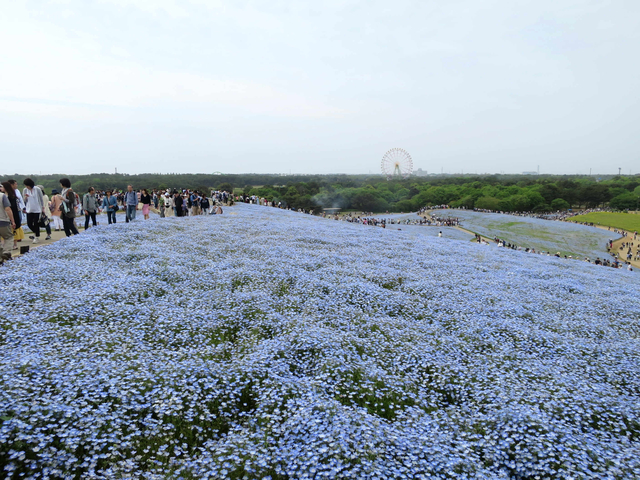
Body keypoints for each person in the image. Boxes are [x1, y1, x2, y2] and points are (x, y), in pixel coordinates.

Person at [22, 178, 46, 244]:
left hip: (37, 209)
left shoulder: (37, 189)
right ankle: (36, 233)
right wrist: (25, 197)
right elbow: (24, 200)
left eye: (28, 185)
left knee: (36, 223)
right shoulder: (25, 190)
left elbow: (41, 198)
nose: (27, 187)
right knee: (29, 224)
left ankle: (36, 237)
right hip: (29, 209)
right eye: (26, 186)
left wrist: (42, 207)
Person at [2, 181, 23, 249]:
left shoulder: (11, 196)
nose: (1, 188)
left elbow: (12, 207)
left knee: (13, 229)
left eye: (2, 187)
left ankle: (15, 244)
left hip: (12, 214)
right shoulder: (2, 195)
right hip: (4, 215)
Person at [0, 184, 16, 263]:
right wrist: (12, 221)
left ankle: (0, 258)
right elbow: (8, 209)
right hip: (3, 221)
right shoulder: (2, 196)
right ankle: (6, 252)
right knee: (8, 237)